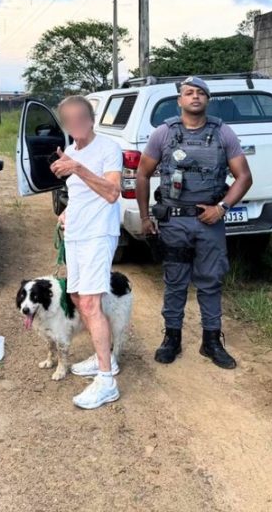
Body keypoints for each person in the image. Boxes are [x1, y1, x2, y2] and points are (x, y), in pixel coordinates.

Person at [135, 76, 253, 369]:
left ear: (207, 100)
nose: (195, 97)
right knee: (175, 282)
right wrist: (145, 216)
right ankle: (171, 338)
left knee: (210, 282)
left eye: (201, 93)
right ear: (180, 100)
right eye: (189, 93)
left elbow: (244, 177)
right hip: (174, 221)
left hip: (208, 222)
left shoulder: (223, 133)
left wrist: (222, 208)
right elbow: (141, 174)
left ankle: (211, 341)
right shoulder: (163, 134)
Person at [49, 95, 123, 409]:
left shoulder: (108, 148)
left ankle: (107, 381)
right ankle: (104, 356)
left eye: (81, 116)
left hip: (98, 234)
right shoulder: (72, 151)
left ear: (91, 119)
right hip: (77, 235)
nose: (75, 123)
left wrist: (77, 168)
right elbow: (79, 195)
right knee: (78, 296)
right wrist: (66, 213)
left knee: (91, 302)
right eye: (68, 119)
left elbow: (111, 192)